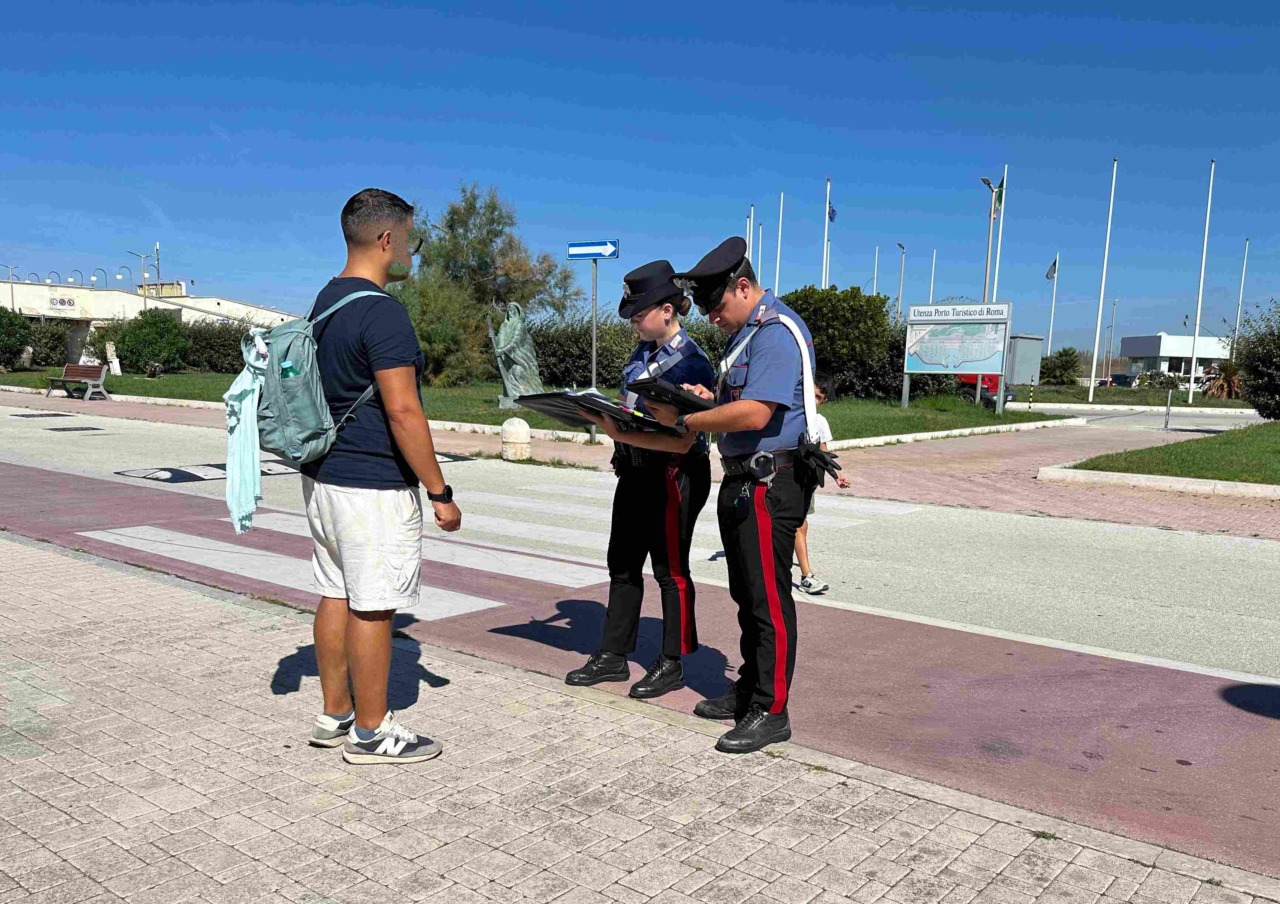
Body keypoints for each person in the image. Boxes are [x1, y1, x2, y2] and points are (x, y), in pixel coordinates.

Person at [648, 237, 828, 754]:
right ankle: (750, 688)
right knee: (747, 594)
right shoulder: (746, 335)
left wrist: (686, 416)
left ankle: (771, 710)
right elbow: (737, 400)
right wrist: (707, 398)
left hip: (772, 482)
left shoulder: (774, 333)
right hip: (744, 479)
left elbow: (755, 414)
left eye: (716, 305)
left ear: (744, 287)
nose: (710, 317)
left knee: (769, 599)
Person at [302, 188, 463, 765]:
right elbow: (403, 411)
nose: (414, 253)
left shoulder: (325, 303)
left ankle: (334, 714)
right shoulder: (383, 312)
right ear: (388, 240)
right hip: (371, 483)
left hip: (323, 477)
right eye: (412, 242)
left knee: (336, 591)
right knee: (374, 604)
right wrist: (440, 492)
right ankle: (371, 733)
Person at [568, 260, 715, 699]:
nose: (633, 321)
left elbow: (685, 435)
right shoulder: (642, 355)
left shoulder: (694, 363)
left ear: (667, 311)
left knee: (670, 570)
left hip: (674, 474)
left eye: (639, 313)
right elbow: (630, 404)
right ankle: (613, 656)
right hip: (633, 469)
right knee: (623, 563)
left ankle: (673, 661)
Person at [795, 376, 851, 595]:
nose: (814, 399)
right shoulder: (791, 417)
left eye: (819, 397)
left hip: (807, 480)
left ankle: (799, 564)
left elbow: (825, 452)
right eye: (812, 393)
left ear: (823, 401)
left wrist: (837, 475)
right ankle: (806, 576)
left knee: (801, 524)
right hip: (786, 478)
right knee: (797, 525)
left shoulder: (819, 421)